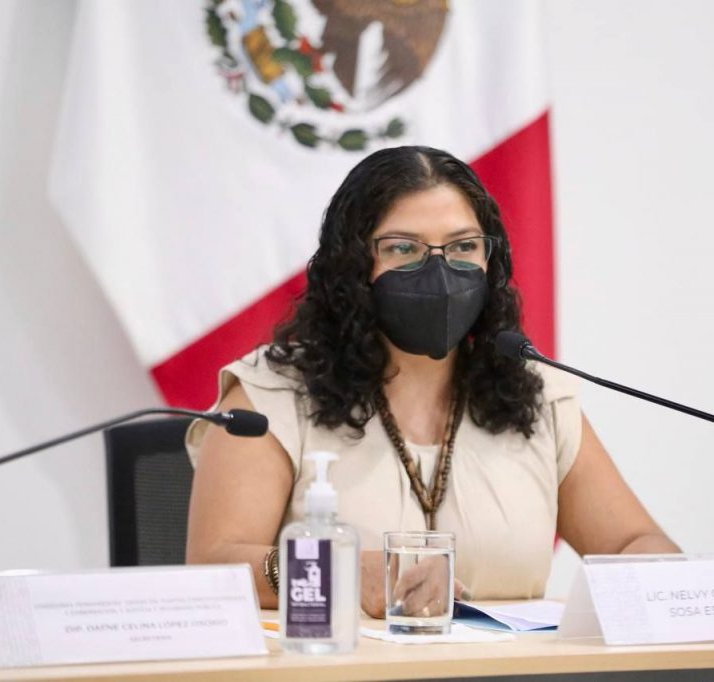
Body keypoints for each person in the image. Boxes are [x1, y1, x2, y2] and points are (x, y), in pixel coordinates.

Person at [185, 146, 679, 616]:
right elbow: (215, 566)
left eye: (463, 246)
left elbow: (634, 542)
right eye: (404, 248)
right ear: (353, 265)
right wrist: (335, 573)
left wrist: (660, 582)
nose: (440, 272)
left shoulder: (537, 396)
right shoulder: (271, 395)